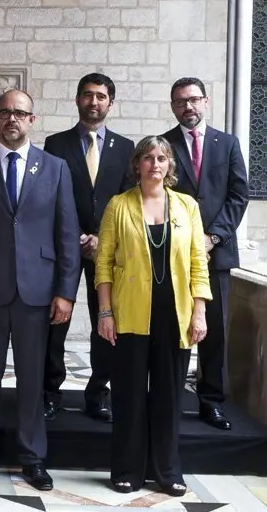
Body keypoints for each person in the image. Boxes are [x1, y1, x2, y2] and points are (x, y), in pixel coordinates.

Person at [0, 89, 81, 491]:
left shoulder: (56, 168)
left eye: (20, 113)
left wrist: (66, 292)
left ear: (32, 120)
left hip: (37, 294)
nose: (12, 119)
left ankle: (33, 457)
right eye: (5, 112)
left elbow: (67, 234)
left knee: (32, 380)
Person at [95, 135, 211, 496]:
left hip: (175, 316)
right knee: (129, 395)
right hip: (130, 314)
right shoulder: (118, 205)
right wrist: (105, 312)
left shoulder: (187, 206)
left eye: (161, 158)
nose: (155, 164)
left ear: (169, 165)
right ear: (137, 165)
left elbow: (197, 263)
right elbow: (103, 265)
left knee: (169, 396)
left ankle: (167, 470)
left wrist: (200, 313)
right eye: (148, 158)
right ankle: (127, 470)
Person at [42, 73, 134, 423]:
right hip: (64, 247)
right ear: (77, 100)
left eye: (100, 96)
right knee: (55, 323)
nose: (93, 102)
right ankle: (50, 392)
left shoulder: (126, 149)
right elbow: (50, 195)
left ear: (110, 102)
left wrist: (101, 238)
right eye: (87, 95)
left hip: (108, 252)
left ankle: (98, 393)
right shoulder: (56, 144)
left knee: (105, 323)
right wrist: (77, 235)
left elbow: (127, 201)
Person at [162, 77, 249, 431]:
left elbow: (238, 195)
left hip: (218, 253)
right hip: (173, 257)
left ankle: (210, 402)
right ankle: (169, 401)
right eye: (181, 102)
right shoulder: (163, 144)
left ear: (206, 101)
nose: (189, 108)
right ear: (173, 106)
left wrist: (213, 236)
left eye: (194, 100)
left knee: (213, 333)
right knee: (174, 328)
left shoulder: (227, 144)